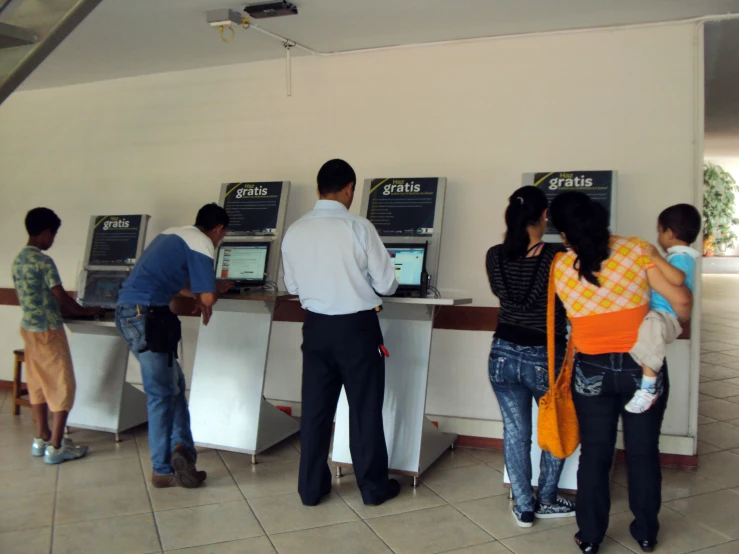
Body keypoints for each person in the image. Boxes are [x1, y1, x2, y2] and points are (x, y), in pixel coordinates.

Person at [548, 192, 692, 554]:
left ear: (563, 233)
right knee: (643, 452)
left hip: (590, 368)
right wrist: (669, 324)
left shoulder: (560, 265)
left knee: (596, 453)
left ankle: (591, 536)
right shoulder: (637, 249)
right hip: (640, 364)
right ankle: (646, 533)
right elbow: (681, 300)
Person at [281, 159, 401, 507]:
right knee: (364, 409)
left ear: (319, 189)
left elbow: (292, 285)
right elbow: (387, 284)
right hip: (357, 329)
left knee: (316, 410)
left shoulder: (296, 230)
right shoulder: (359, 227)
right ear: (349, 188)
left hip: (316, 328)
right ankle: (373, 488)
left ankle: (310, 489)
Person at [116, 203, 232, 489]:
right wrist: (219, 288)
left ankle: (183, 452)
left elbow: (179, 285)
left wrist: (202, 293)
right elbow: (207, 299)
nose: (219, 241)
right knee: (161, 394)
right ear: (218, 230)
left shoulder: (172, 234)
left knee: (175, 385)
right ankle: (161, 469)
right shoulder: (203, 242)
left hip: (134, 314)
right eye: (222, 236)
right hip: (146, 318)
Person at [485, 186, 575, 528]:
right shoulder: (558, 258)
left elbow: (506, 296)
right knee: (555, 426)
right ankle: (547, 499)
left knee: (515, 432)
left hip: (502, 355)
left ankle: (523, 506)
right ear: (544, 216)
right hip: (545, 356)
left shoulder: (495, 255)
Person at [12, 208, 103, 464]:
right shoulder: (43, 262)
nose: (52, 240)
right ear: (44, 232)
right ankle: (57, 444)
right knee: (62, 384)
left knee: (38, 383)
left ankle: (41, 438)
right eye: (52, 234)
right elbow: (61, 298)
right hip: (49, 331)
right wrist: (87, 311)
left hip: (29, 329)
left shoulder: (18, 260)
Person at [625, 204, 701, 413]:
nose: (658, 235)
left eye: (659, 230)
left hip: (665, 315)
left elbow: (678, 278)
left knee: (651, 330)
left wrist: (656, 258)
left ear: (670, 233)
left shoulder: (681, 257)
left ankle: (648, 387)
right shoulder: (680, 256)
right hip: (661, 312)